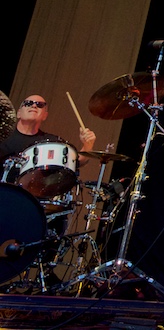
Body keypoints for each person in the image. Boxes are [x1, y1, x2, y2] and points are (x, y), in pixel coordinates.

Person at [0, 94, 97, 240]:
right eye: (28, 103)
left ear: (45, 115)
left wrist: (88, 145)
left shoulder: (51, 143)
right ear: (18, 113)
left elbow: (76, 162)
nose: (34, 106)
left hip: (31, 204)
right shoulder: (3, 137)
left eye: (40, 105)